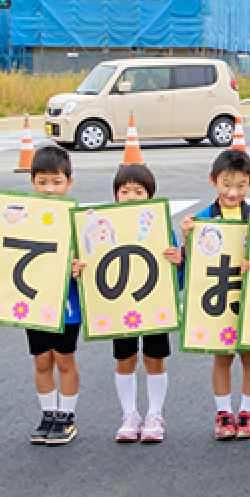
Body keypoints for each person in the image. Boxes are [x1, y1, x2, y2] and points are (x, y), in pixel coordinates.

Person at [0, 146, 86, 446]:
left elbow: (91, 256)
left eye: (56, 182)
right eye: (42, 182)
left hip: (67, 306)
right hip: (32, 303)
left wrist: (80, 265)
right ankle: (48, 414)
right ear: (32, 182)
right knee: (41, 361)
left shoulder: (76, 219)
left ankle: (67, 416)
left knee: (65, 361)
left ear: (69, 182)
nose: (49, 189)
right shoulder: (21, 216)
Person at [76, 164, 182, 443]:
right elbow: (91, 259)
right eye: (125, 191)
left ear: (151, 195)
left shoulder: (159, 226)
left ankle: (155, 414)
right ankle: (129, 414)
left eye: (139, 191)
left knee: (154, 358)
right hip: (119, 304)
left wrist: (178, 261)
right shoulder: (104, 225)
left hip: (153, 301)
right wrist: (79, 268)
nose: (132, 196)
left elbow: (176, 274)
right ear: (115, 195)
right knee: (125, 359)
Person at [180, 149, 250, 441]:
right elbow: (190, 263)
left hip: (247, 297)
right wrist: (186, 238)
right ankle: (223, 412)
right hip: (217, 296)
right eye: (226, 184)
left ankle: (247, 411)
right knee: (221, 357)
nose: (232, 192)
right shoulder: (202, 219)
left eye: (240, 185)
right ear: (213, 181)